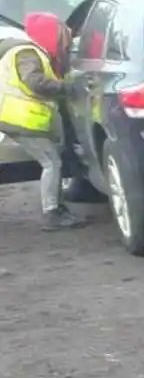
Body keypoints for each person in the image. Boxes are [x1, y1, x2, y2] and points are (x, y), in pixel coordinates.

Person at [0, 12, 83, 229]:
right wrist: (65, 88)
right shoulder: (28, 53)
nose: (64, 39)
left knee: (54, 157)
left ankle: (57, 208)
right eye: (60, 33)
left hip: (18, 116)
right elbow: (34, 82)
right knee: (51, 161)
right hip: (19, 118)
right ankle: (52, 213)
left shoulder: (30, 51)